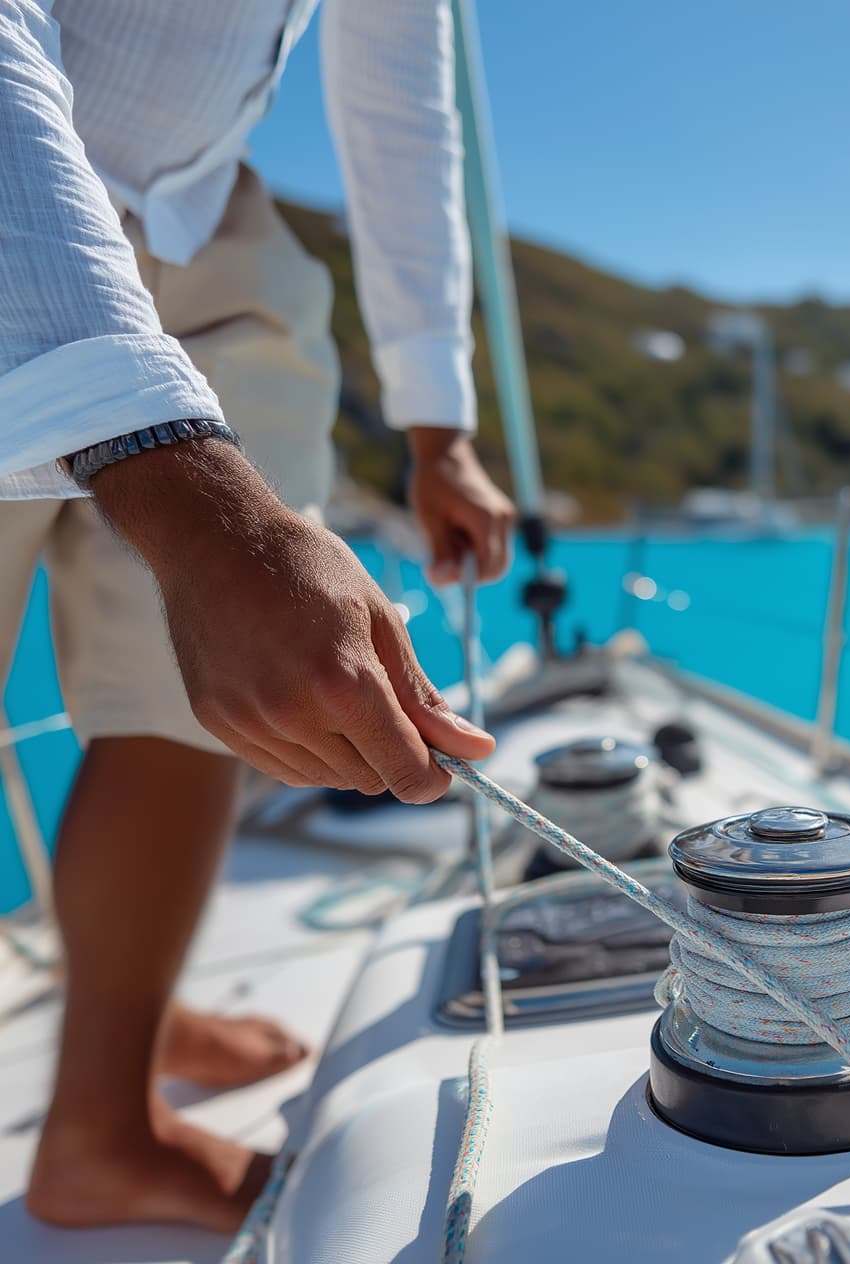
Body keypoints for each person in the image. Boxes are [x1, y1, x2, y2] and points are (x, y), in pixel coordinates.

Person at [0, 0, 515, 1233]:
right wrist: (201, 507)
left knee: (185, 708)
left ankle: (113, 1083)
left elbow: (401, 100)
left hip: (209, 225)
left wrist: (436, 424)